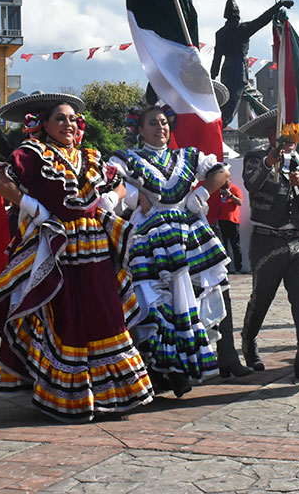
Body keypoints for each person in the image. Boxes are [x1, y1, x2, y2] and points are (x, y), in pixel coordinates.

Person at [0, 91, 154, 420]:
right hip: (58, 250)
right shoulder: (32, 153)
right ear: (44, 124)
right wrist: (32, 207)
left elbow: (119, 185)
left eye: (73, 119)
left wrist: (111, 201)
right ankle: (69, 396)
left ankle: (112, 395)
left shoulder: (90, 156)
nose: (68, 124)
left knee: (106, 316)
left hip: (96, 249)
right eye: (60, 118)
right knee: (67, 319)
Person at [109, 104, 233, 395]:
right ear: (139, 130)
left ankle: (183, 367)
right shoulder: (129, 159)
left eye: (164, 122)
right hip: (150, 236)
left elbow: (221, 172)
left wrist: (201, 192)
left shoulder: (187, 155)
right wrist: (136, 197)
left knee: (190, 299)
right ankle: (159, 369)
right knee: (154, 301)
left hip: (188, 236)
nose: (160, 127)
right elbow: (110, 179)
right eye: (152, 123)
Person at [236, 110, 299, 382]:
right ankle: (249, 341)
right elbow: (251, 185)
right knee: (261, 298)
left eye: (294, 133)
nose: (290, 138)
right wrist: (270, 160)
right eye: (284, 133)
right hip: (267, 239)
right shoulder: (256, 157)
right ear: (271, 135)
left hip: (298, 240)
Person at [208, 181, 244, 273]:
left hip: (233, 221)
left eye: (226, 180)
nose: (225, 182)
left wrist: (230, 195)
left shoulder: (234, 189)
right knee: (223, 246)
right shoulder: (218, 191)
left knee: (235, 245)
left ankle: (238, 268)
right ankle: (225, 268)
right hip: (220, 221)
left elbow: (240, 202)